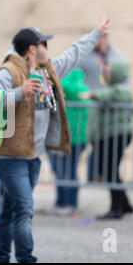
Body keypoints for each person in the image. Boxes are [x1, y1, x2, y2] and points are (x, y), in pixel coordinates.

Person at [0, 16, 110, 263]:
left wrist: (96, 33)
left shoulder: (47, 70)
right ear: (33, 48)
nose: (48, 49)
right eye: (45, 44)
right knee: (25, 211)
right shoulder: (9, 71)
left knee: (10, 211)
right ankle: (26, 259)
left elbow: (75, 53)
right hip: (10, 156)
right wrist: (20, 92)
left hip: (32, 156)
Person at [78, 32, 128, 182]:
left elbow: (124, 78)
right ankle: (93, 175)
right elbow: (77, 76)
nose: (102, 40)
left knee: (100, 141)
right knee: (93, 140)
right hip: (90, 105)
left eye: (105, 37)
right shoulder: (85, 58)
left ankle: (99, 175)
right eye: (100, 37)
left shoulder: (115, 56)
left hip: (108, 106)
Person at [88, 61, 133, 220]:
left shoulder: (122, 90)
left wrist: (94, 94)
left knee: (109, 170)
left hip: (117, 135)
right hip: (107, 136)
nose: (105, 74)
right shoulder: (110, 89)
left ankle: (116, 208)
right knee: (110, 170)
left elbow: (113, 95)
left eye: (108, 72)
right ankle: (125, 204)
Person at [48, 68, 90, 217]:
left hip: (73, 138)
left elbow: (66, 87)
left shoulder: (76, 86)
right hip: (60, 136)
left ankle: (70, 203)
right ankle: (61, 201)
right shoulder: (77, 86)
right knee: (60, 170)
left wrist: (50, 79)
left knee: (68, 171)